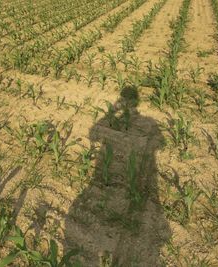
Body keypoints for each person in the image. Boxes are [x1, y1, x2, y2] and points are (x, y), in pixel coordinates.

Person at [64, 86, 171, 266]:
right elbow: (161, 143)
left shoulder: (138, 122)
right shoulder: (149, 122)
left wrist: (112, 111)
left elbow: (94, 134)